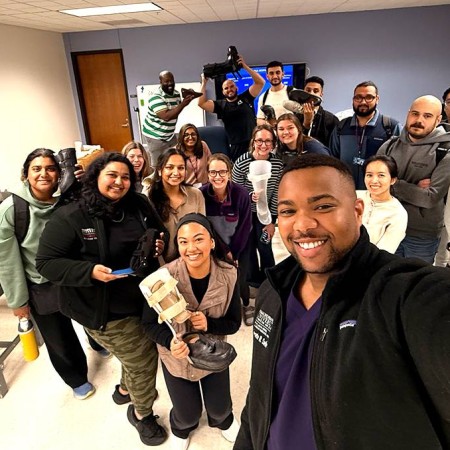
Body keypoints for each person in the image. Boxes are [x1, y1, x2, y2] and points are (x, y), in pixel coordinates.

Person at [235, 153, 450, 450]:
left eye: (323, 206)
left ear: (357, 210)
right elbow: (260, 392)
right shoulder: (274, 291)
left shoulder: (399, 295)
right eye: (288, 211)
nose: (303, 224)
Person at [36, 152, 168, 446]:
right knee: (143, 360)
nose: (119, 182)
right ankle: (142, 414)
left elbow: (161, 231)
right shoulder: (72, 215)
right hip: (102, 310)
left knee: (134, 356)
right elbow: (45, 263)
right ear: (95, 176)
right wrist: (89, 272)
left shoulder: (138, 203)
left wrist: (159, 243)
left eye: (125, 177)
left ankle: (125, 390)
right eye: (112, 175)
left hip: (142, 299)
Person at [0, 148, 99, 400]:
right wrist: (18, 301)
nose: (44, 174)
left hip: (73, 275)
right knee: (59, 338)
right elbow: (7, 262)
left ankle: (98, 343)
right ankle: (76, 379)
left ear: (59, 173)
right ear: (25, 174)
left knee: (91, 316)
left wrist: (85, 184)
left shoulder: (66, 198)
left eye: (51, 168)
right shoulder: (12, 209)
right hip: (41, 284)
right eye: (36, 169)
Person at [142, 213, 241, 450]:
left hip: (212, 354)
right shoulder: (161, 278)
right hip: (177, 359)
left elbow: (234, 323)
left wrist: (209, 325)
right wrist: (169, 342)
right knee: (188, 415)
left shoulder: (229, 274)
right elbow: (148, 324)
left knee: (220, 408)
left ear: (212, 242)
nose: (191, 248)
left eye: (198, 239)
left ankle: (224, 421)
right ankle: (181, 428)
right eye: (183, 242)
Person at [377, 95, 450, 263]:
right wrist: (414, 188)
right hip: (386, 226)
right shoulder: (389, 146)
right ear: (408, 114)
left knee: (416, 278)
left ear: (438, 120)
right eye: (415, 114)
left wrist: (392, 183)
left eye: (427, 116)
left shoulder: (445, 151)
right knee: (386, 276)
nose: (419, 120)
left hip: (420, 236)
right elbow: (373, 185)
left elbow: (429, 198)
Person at [200, 154, 253, 325]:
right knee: (218, 277)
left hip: (240, 244)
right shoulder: (201, 195)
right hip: (215, 245)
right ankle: (224, 306)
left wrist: (234, 253)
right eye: (213, 172)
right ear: (208, 174)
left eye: (222, 172)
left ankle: (246, 303)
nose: (218, 177)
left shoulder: (241, 194)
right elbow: (206, 226)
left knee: (240, 277)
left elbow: (245, 226)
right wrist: (224, 251)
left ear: (229, 173)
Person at [232, 125, 284, 294]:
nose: (263, 145)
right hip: (245, 214)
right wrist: (248, 197)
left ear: (273, 143)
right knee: (248, 249)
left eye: (268, 141)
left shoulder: (277, 164)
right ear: (253, 142)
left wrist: (272, 222)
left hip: (266, 213)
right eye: (260, 140)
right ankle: (253, 283)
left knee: (265, 245)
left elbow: (277, 193)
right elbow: (235, 192)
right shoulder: (241, 163)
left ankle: (270, 282)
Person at [329, 80, 402, 189]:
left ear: (377, 99)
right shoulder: (341, 127)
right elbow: (332, 160)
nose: (363, 102)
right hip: (346, 190)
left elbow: (399, 164)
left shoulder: (390, 127)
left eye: (369, 97)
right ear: (353, 100)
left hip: (377, 191)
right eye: (358, 97)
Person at [199, 54, 265, 162]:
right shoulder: (221, 105)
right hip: (236, 147)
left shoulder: (246, 97)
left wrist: (245, 67)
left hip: (253, 143)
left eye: (232, 86)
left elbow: (260, 83)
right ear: (223, 92)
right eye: (226, 88)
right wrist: (204, 82)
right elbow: (201, 103)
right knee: (239, 171)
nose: (229, 89)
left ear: (236, 87)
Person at [147, 148, 205, 262]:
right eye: (170, 167)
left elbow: (202, 230)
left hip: (191, 260)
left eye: (181, 168)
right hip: (160, 265)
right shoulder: (149, 197)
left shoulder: (196, 194)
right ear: (160, 171)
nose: (176, 172)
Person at [142, 70, 195, 167]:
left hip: (170, 135)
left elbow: (176, 112)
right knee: (158, 165)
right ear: (160, 82)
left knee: (174, 160)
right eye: (166, 81)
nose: (170, 83)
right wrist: (183, 104)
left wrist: (188, 97)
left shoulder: (176, 94)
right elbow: (166, 117)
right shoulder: (156, 97)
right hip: (154, 135)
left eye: (171, 81)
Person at [356, 155, 407, 253]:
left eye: (381, 175)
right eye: (369, 175)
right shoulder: (354, 196)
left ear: (392, 180)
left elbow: (384, 252)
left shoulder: (398, 214)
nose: (374, 181)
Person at [297, 76, 339, 147]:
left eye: (316, 91)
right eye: (308, 90)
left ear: (321, 94)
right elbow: (295, 144)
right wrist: (306, 124)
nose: (311, 94)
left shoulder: (332, 120)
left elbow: (334, 147)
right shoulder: (295, 118)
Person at [256, 60, 291, 126]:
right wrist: (272, 125)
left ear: (283, 74)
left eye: (278, 73)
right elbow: (259, 119)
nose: (275, 76)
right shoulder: (263, 97)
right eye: (271, 73)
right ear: (267, 76)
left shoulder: (292, 92)